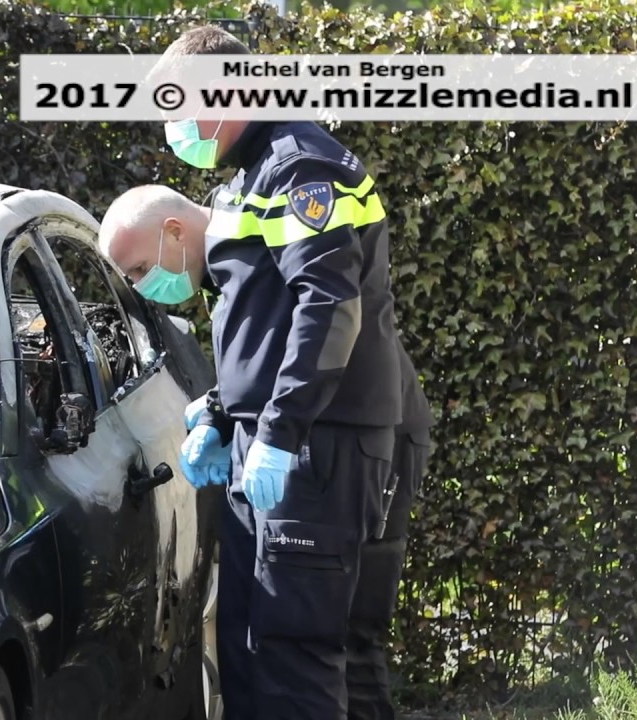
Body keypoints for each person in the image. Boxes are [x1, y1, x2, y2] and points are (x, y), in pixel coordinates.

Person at [95, 20, 424, 718]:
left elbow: (328, 304)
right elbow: (269, 328)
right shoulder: (249, 179)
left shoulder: (303, 166)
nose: (173, 127)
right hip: (280, 446)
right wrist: (222, 414)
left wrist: (278, 432)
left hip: (313, 449)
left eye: (178, 107)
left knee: (291, 659)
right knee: (255, 648)